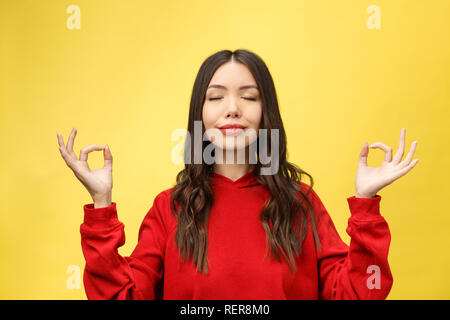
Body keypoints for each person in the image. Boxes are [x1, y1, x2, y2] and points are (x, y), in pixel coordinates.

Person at [57, 49, 419, 300]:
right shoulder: (169, 208)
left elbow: (361, 292)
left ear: (266, 113)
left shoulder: (301, 205)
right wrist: (101, 206)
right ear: (200, 116)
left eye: (248, 96)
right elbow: (119, 295)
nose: (232, 109)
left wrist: (367, 205)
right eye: (216, 98)